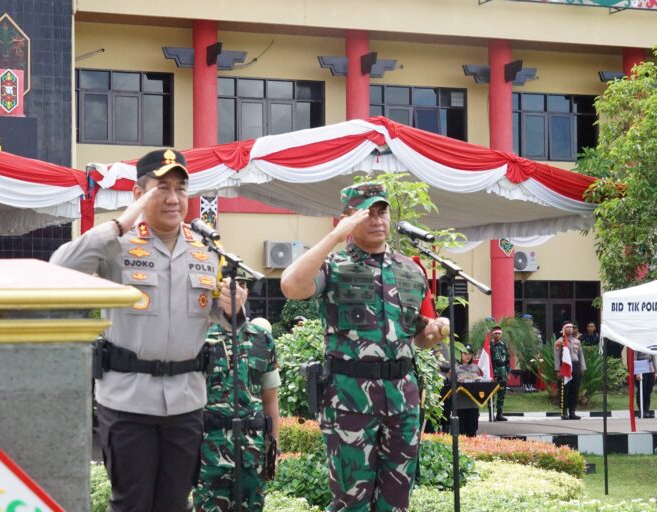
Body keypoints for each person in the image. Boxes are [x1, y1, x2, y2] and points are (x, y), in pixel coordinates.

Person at [50, 149, 247, 512]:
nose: (173, 199)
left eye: (181, 189)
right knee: (131, 504)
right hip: (127, 402)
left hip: (186, 403)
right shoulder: (117, 244)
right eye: (162, 189)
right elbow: (60, 267)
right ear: (139, 195)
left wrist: (235, 310)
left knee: (175, 504)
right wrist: (121, 223)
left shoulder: (207, 252)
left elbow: (224, 319)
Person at [280, 182, 449, 512]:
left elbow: (415, 335)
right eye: (365, 213)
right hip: (349, 401)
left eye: (381, 211)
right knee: (351, 501)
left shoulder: (410, 270)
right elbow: (290, 285)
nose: (376, 220)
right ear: (347, 219)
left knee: (397, 501)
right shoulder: (334, 266)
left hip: (402, 400)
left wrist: (432, 333)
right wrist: (333, 237)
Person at [193, 286, 281, 512]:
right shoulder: (198, 338)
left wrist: (274, 449)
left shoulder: (262, 339)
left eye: (238, 287)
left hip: (253, 451)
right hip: (209, 451)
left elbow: (270, 399)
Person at [554, 322, 586, 420]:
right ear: (563, 329)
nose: (570, 329)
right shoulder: (559, 342)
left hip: (575, 366)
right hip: (565, 367)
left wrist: (582, 368)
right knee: (565, 390)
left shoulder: (577, 341)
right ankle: (564, 412)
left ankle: (572, 411)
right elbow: (557, 357)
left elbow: (580, 355)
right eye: (567, 327)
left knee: (574, 389)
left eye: (571, 327)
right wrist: (558, 370)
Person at [455, 345, 482, 437]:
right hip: (460, 404)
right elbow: (451, 382)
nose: (468, 356)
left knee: (472, 431)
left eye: (470, 354)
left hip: (473, 403)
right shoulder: (455, 368)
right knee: (461, 431)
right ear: (460, 354)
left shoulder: (476, 368)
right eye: (465, 353)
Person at [622, 348, 656, 419]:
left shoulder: (649, 345)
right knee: (641, 390)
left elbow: (653, 357)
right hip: (641, 367)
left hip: (650, 367)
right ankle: (642, 411)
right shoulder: (637, 345)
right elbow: (635, 358)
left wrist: (656, 371)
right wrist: (637, 373)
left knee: (648, 390)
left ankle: (647, 411)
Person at [490, 326, 510, 421]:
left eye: (499, 333)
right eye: (495, 333)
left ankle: (499, 414)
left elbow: (508, 359)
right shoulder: (490, 346)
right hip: (493, 371)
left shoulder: (504, 345)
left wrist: (508, 372)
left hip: (503, 372)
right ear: (492, 334)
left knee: (502, 393)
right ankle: (491, 414)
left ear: (501, 334)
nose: (497, 335)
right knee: (492, 394)